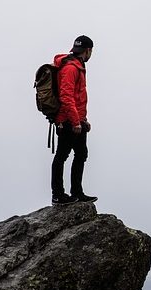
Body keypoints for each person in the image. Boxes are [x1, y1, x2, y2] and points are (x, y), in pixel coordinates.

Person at [51, 35, 97, 204]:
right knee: (62, 155)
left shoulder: (77, 66)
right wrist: (76, 121)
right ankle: (58, 194)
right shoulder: (71, 68)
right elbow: (66, 96)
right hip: (67, 120)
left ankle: (77, 193)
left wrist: (83, 120)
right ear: (88, 50)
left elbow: (77, 98)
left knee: (81, 154)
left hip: (76, 119)